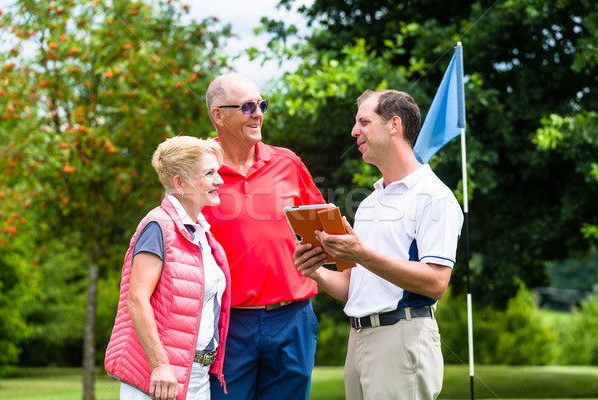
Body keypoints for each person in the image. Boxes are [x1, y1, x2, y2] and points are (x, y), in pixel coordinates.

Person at [294, 89, 464, 400]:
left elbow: (436, 282)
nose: (353, 131)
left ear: (394, 125)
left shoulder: (434, 196)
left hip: (401, 338)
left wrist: (360, 253)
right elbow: (352, 286)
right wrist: (316, 272)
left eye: (363, 121)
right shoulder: (371, 202)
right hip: (358, 339)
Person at [202, 73, 325, 400]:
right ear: (218, 115)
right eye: (246, 106)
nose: (258, 113)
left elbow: (323, 229)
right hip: (229, 323)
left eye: (261, 105)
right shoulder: (197, 171)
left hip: (293, 318)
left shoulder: (288, 163)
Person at [105, 136, 231, 400]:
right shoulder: (157, 226)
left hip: (195, 375)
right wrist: (160, 365)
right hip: (160, 379)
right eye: (209, 173)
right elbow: (137, 299)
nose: (219, 180)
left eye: (217, 172)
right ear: (180, 183)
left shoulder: (201, 233)